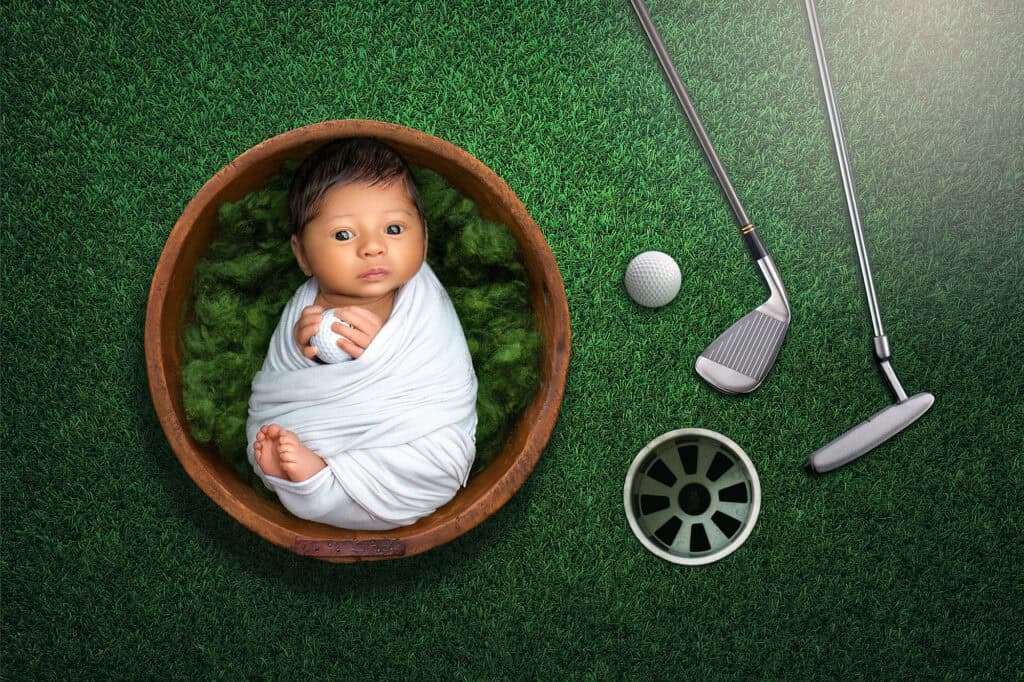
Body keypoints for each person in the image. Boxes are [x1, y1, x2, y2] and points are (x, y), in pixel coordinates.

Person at [245, 138, 479, 530]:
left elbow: (432, 360)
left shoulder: (422, 300)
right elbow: (286, 378)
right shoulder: (305, 306)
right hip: (321, 422)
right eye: (342, 235)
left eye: (393, 228)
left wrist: (381, 348)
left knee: (441, 462)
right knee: (269, 438)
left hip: (413, 428)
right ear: (301, 254)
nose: (373, 248)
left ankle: (313, 487)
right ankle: (313, 479)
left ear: (423, 237)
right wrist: (304, 345)